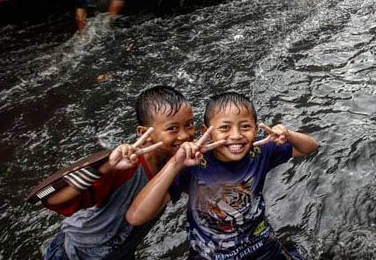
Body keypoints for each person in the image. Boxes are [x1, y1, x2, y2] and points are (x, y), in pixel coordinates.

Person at [126, 92, 319, 260]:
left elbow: (310, 147)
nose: (235, 136)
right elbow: (135, 217)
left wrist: (288, 134)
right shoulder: (191, 165)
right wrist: (175, 163)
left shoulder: (260, 151)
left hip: (262, 245)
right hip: (209, 254)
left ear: (256, 128)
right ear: (206, 132)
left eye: (245, 126)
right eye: (225, 128)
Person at [42, 85, 196, 259]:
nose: (184, 135)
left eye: (189, 124)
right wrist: (105, 167)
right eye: (172, 128)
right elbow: (53, 200)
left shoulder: (181, 162)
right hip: (74, 253)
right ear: (144, 133)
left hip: (119, 253)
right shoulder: (123, 165)